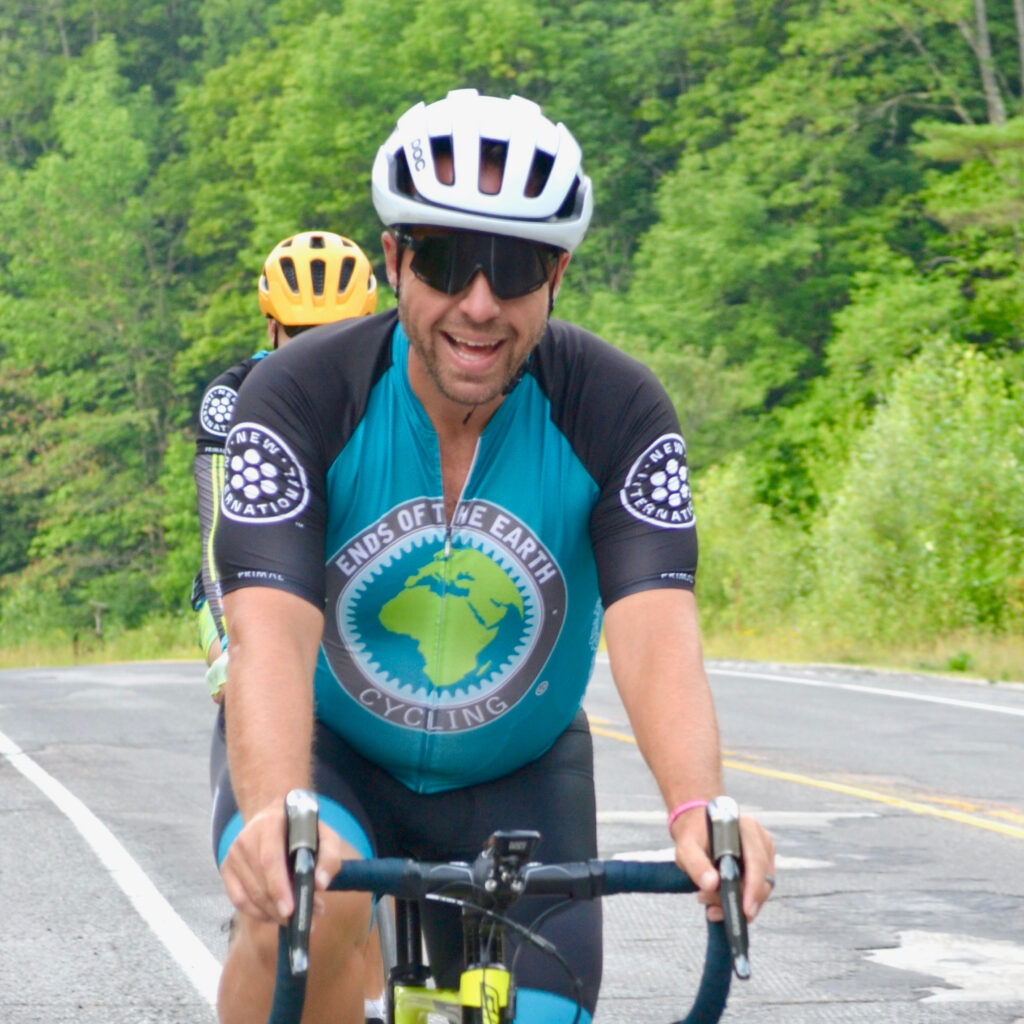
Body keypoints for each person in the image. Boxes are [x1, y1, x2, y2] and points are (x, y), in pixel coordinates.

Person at [210, 88, 776, 1024]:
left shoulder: (620, 409)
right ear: (395, 260)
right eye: (444, 259)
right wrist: (277, 810)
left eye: (512, 269)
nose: (478, 304)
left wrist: (698, 815)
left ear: (556, 275)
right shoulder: (296, 395)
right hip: (332, 752)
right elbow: (268, 633)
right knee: (298, 917)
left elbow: (655, 630)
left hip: (519, 774)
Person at [191, 231, 377, 700]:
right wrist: (237, 646)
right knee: (241, 684)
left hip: (357, 573)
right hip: (252, 574)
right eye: (301, 336)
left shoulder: (395, 388)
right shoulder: (231, 396)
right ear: (271, 329)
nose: (317, 355)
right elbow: (217, 540)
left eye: (335, 336)